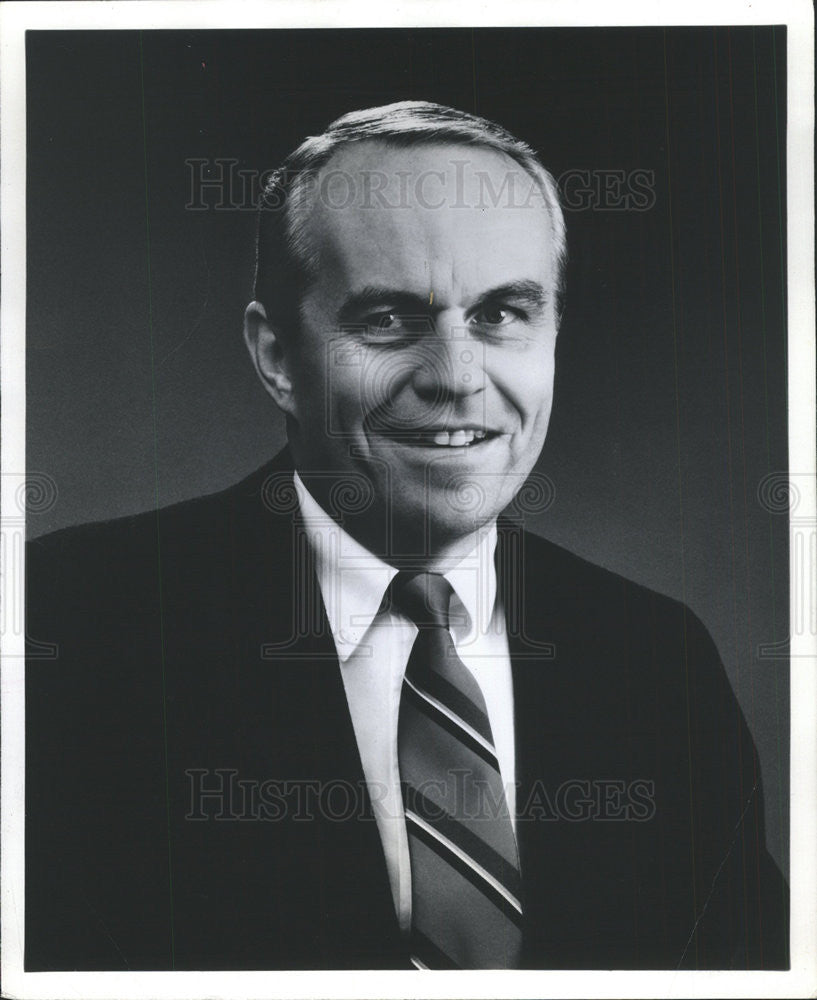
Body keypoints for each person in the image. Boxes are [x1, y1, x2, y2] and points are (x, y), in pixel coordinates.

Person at [25, 101, 788, 971]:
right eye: (388, 319)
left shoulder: (656, 657)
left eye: (503, 313)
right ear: (277, 357)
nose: (458, 377)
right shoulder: (68, 625)